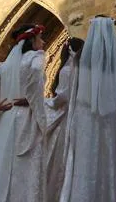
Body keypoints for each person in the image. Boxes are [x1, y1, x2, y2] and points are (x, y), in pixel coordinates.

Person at [59, 16, 116, 202]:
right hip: (108, 122)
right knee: (106, 164)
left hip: (85, 122)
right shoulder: (115, 67)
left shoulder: (81, 64)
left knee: (85, 164)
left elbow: (71, 96)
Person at [0, 24, 47, 202]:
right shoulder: (35, 57)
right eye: (40, 38)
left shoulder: (7, 65)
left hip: (8, 117)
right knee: (26, 165)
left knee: (7, 163)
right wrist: (33, 99)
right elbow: (35, 70)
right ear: (32, 40)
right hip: (27, 117)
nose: (43, 42)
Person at [43, 37, 84, 202]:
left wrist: (45, 103)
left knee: (61, 162)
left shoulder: (67, 70)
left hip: (67, 119)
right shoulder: (80, 69)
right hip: (78, 117)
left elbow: (62, 98)